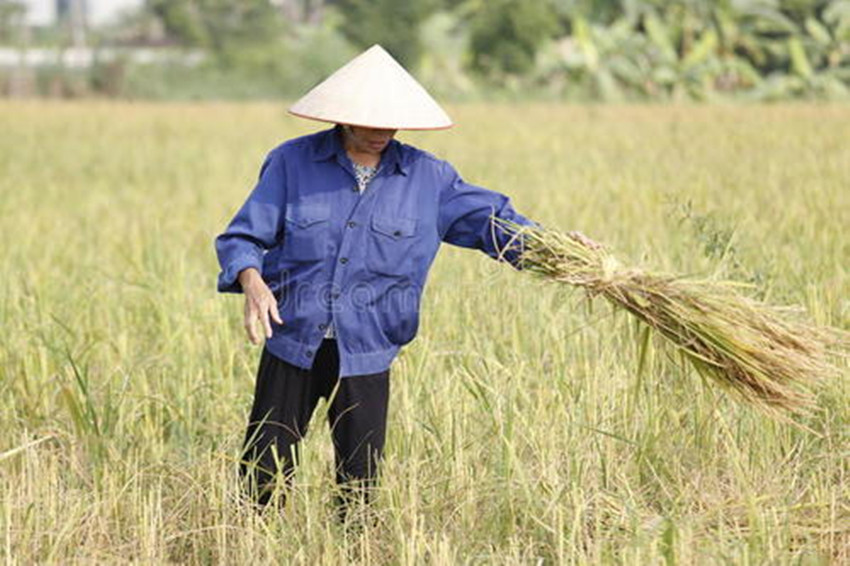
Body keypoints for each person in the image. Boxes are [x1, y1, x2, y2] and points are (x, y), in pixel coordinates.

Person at [215, 45, 596, 515]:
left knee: (359, 485)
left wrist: (558, 250)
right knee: (263, 472)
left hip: (368, 347)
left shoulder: (429, 179)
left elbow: (493, 225)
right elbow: (242, 237)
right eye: (372, 122)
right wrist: (252, 282)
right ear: (342, 116)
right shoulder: (291, 163)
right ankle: (251, 545)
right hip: (293, 337)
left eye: (392, 122)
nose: (382, 133)